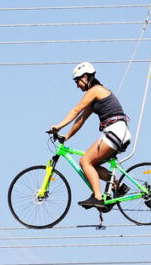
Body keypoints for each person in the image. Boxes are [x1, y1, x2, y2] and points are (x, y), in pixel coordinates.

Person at [49, 62, 132, 211]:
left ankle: (98, 197)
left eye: (77, 81)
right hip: (120, 132)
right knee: (92, 165)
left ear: (85, 77)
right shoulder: (94, 97)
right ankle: (118, 187)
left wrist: (58, 126)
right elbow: (81, 119)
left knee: (85, 161)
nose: (77, 86)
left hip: (115, 131)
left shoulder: (95, 90)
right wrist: (67, 135)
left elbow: (75, 110)